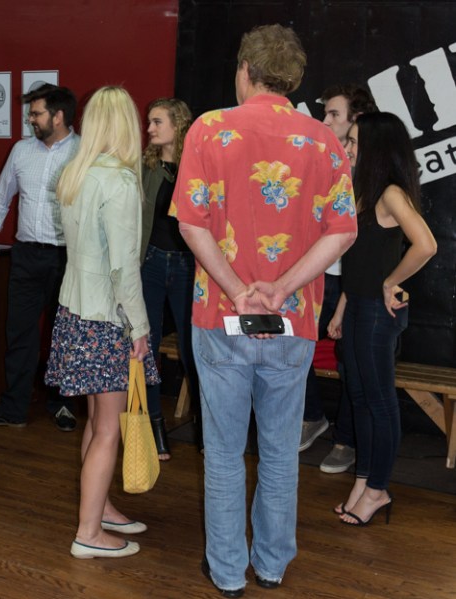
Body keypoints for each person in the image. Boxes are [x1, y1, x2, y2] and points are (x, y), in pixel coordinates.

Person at [173, 25, 357, 594]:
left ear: (246, 70)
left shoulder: (209, 128)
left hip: (219, 317)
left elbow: (191, 223)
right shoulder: (323, 140)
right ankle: (272, 566)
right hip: (293, 319)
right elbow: (343, 232)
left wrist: (236, 288)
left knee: (224, 453)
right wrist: (280, 289)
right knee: (279, 453)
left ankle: (228, 572)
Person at [44, 86, 158, 559]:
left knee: (97, 421)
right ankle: (89, 533)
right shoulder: (121, 182)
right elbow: (124, 269)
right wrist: (141, 328)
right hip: (107, 319)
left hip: (74, 311)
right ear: (126, 125)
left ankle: (101, 508)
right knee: (109, 428)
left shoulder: (75, 173)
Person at [328, 112, 437, 526]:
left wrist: (392, 281)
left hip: (379, 312)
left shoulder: (391, 193)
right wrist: (342, 307)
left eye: (355, 141)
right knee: (358, 397)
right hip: (358, 305)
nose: (349, 147)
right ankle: (363, 481)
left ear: (376, 146)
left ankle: (378, 490)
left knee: (378, 401)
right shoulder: (362, 191)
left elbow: (425, 244)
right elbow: (358, 261)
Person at [0, 84, 80, 432]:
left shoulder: (83, 152)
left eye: (36, 113)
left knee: (65, 334)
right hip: (26, 255)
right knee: (19, 333)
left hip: (69, 258)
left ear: (58, 116)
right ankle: (14, 408)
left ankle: (62, 405)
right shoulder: (21, 150)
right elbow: (1, 197)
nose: (31, 119)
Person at [301, 84, 378, 475]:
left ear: (356, 119)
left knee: (352, 364)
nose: (325, 121)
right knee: (295, 347)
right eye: (325, 113)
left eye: (333, 114)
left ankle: (346, 441)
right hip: (319, 276)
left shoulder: (374, 172)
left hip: (357, 284)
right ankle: (312, 416)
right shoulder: (323, 159)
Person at [139, 97, 198, 459]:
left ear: (178, 125)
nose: (149, 129)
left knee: (194, 349)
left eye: (157, 122)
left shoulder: (198, 165)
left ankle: (206, 428)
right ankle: (154, 425)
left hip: (189, 266)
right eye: (149, 122)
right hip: (150, 263)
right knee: (146, 344)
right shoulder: (145, 167)